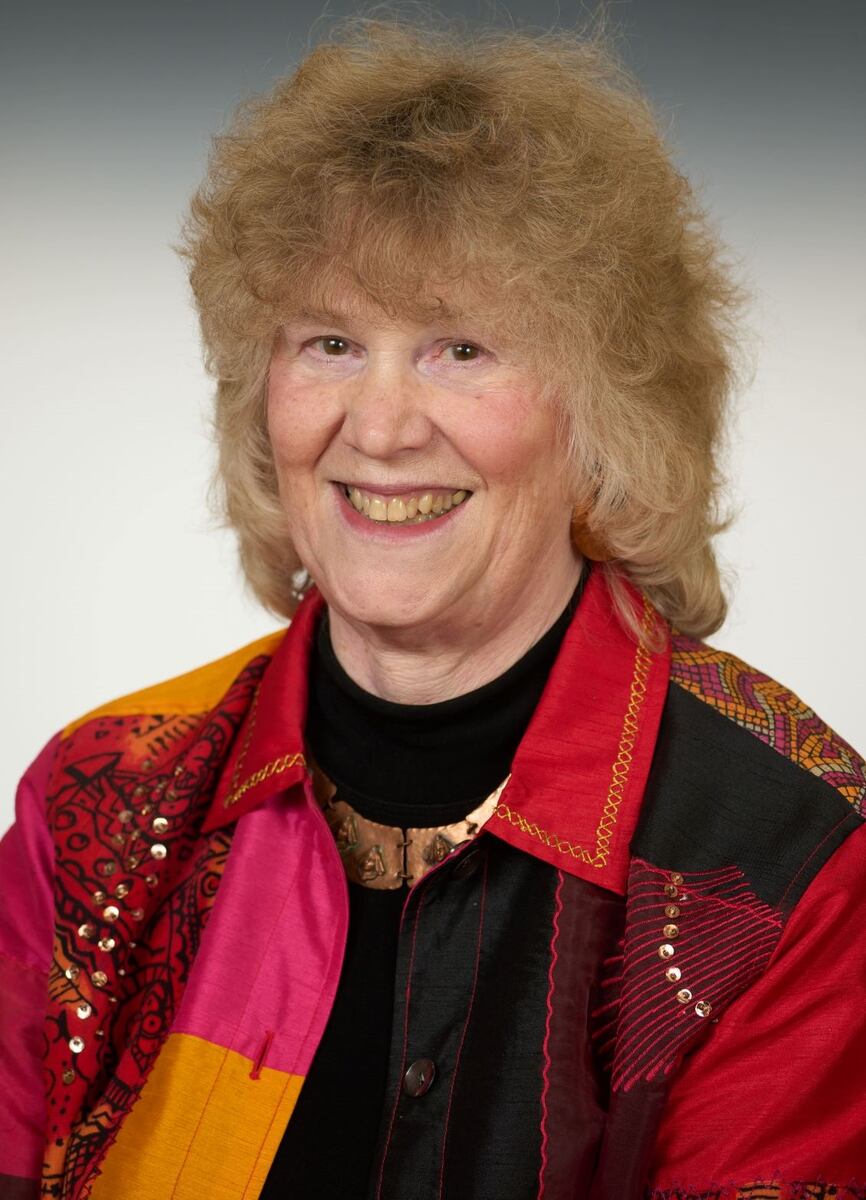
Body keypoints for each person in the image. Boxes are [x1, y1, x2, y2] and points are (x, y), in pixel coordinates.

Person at [1, 13, 864, 1200]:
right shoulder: (98, 798)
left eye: (460, 348)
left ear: (604, 416)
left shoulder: (789, 863)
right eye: (330, 342)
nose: (380, 427)